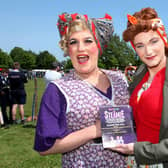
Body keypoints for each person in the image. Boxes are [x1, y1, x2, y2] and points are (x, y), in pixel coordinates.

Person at [34, 12, 130, 167]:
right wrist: (95, 130)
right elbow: (44, 147)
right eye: (73, 42)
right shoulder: (59, 89)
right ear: (67, 49)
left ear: (98, 45)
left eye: (88, 41)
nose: (80, 48)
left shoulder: (120, 79)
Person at [110, 7, 168, 168]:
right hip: (136, 161)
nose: (148, 51)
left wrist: (137, 149)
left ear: (163, 39)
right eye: (140, 45)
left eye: (153, 41)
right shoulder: (140, 74)